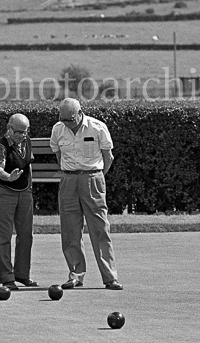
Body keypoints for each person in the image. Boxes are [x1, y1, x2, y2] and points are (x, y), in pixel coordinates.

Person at [50, 98, 123, 291]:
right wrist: (70, 173)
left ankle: (110, 277)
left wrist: (95, 177)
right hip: (69, 180)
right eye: (63, 119)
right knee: (70, 229)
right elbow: (59, 155)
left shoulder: (98, 127)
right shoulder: (58, 129)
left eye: (70, 119)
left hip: (92, 177)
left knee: (100, 228)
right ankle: (75, 275)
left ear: (80, 112)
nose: (67, 123)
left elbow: (108, 158)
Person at [0, 113, 38, 291]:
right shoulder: (0, 146)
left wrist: (29, 187)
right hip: (3, 191)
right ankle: (7, 278)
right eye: (17, 132)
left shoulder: (26, 140)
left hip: (24, 190)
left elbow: (28, 164)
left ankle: (22, 274)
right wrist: (9, 177)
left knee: (26, 235)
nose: (21, 136)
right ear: (8, 128)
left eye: (24, 132)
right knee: (4, 236)